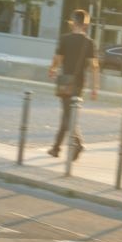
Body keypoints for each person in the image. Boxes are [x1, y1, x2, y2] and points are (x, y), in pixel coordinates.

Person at [46, 9, 99, 159]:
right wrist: (95, 87)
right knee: (68, 114)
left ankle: (78, 144)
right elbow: (94, 66)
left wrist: (52, 69)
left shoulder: (65, 39)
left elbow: (57, 59)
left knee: (68, 115)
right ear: (85, 25)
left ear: (73, 22)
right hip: (79, 83)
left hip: (65, 83)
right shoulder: (89, 43)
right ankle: (56, 148)